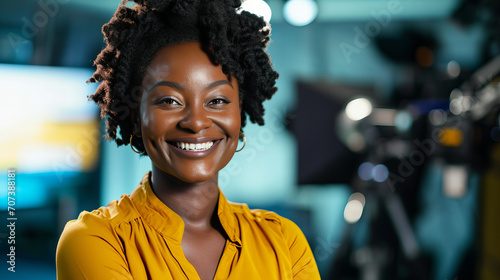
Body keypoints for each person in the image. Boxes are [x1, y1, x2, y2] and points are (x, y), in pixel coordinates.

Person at [56, 0, 321, 279]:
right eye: (170, 100)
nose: (196, 123)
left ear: (238, 115)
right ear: (136, 116)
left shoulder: (284, 241)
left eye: (217, 100)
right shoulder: (96, 241)